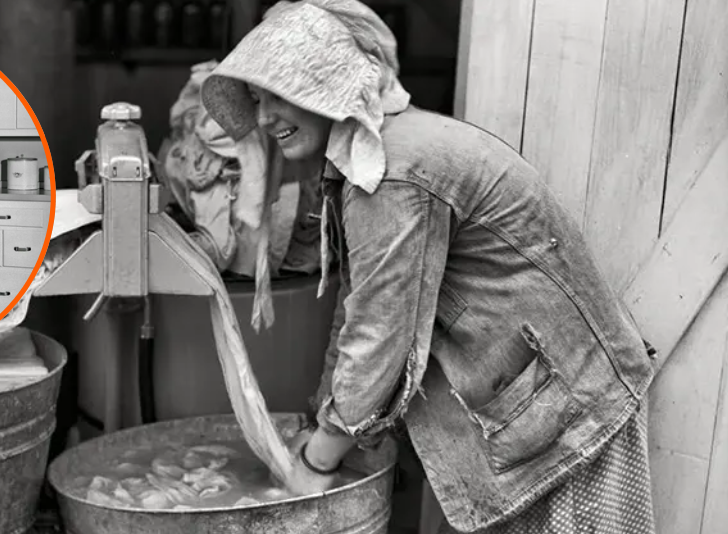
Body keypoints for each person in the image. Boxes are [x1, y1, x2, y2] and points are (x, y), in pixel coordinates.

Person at [201, 1, 659, 532]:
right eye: (257, 99)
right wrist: (325, 421)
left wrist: (315, 460)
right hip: (538, 404)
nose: (262, 117)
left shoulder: (393, 173)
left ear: (324, 86)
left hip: (569, 420)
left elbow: (379, 333)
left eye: (277, 94)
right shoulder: (370, 160)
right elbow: (359, 310)